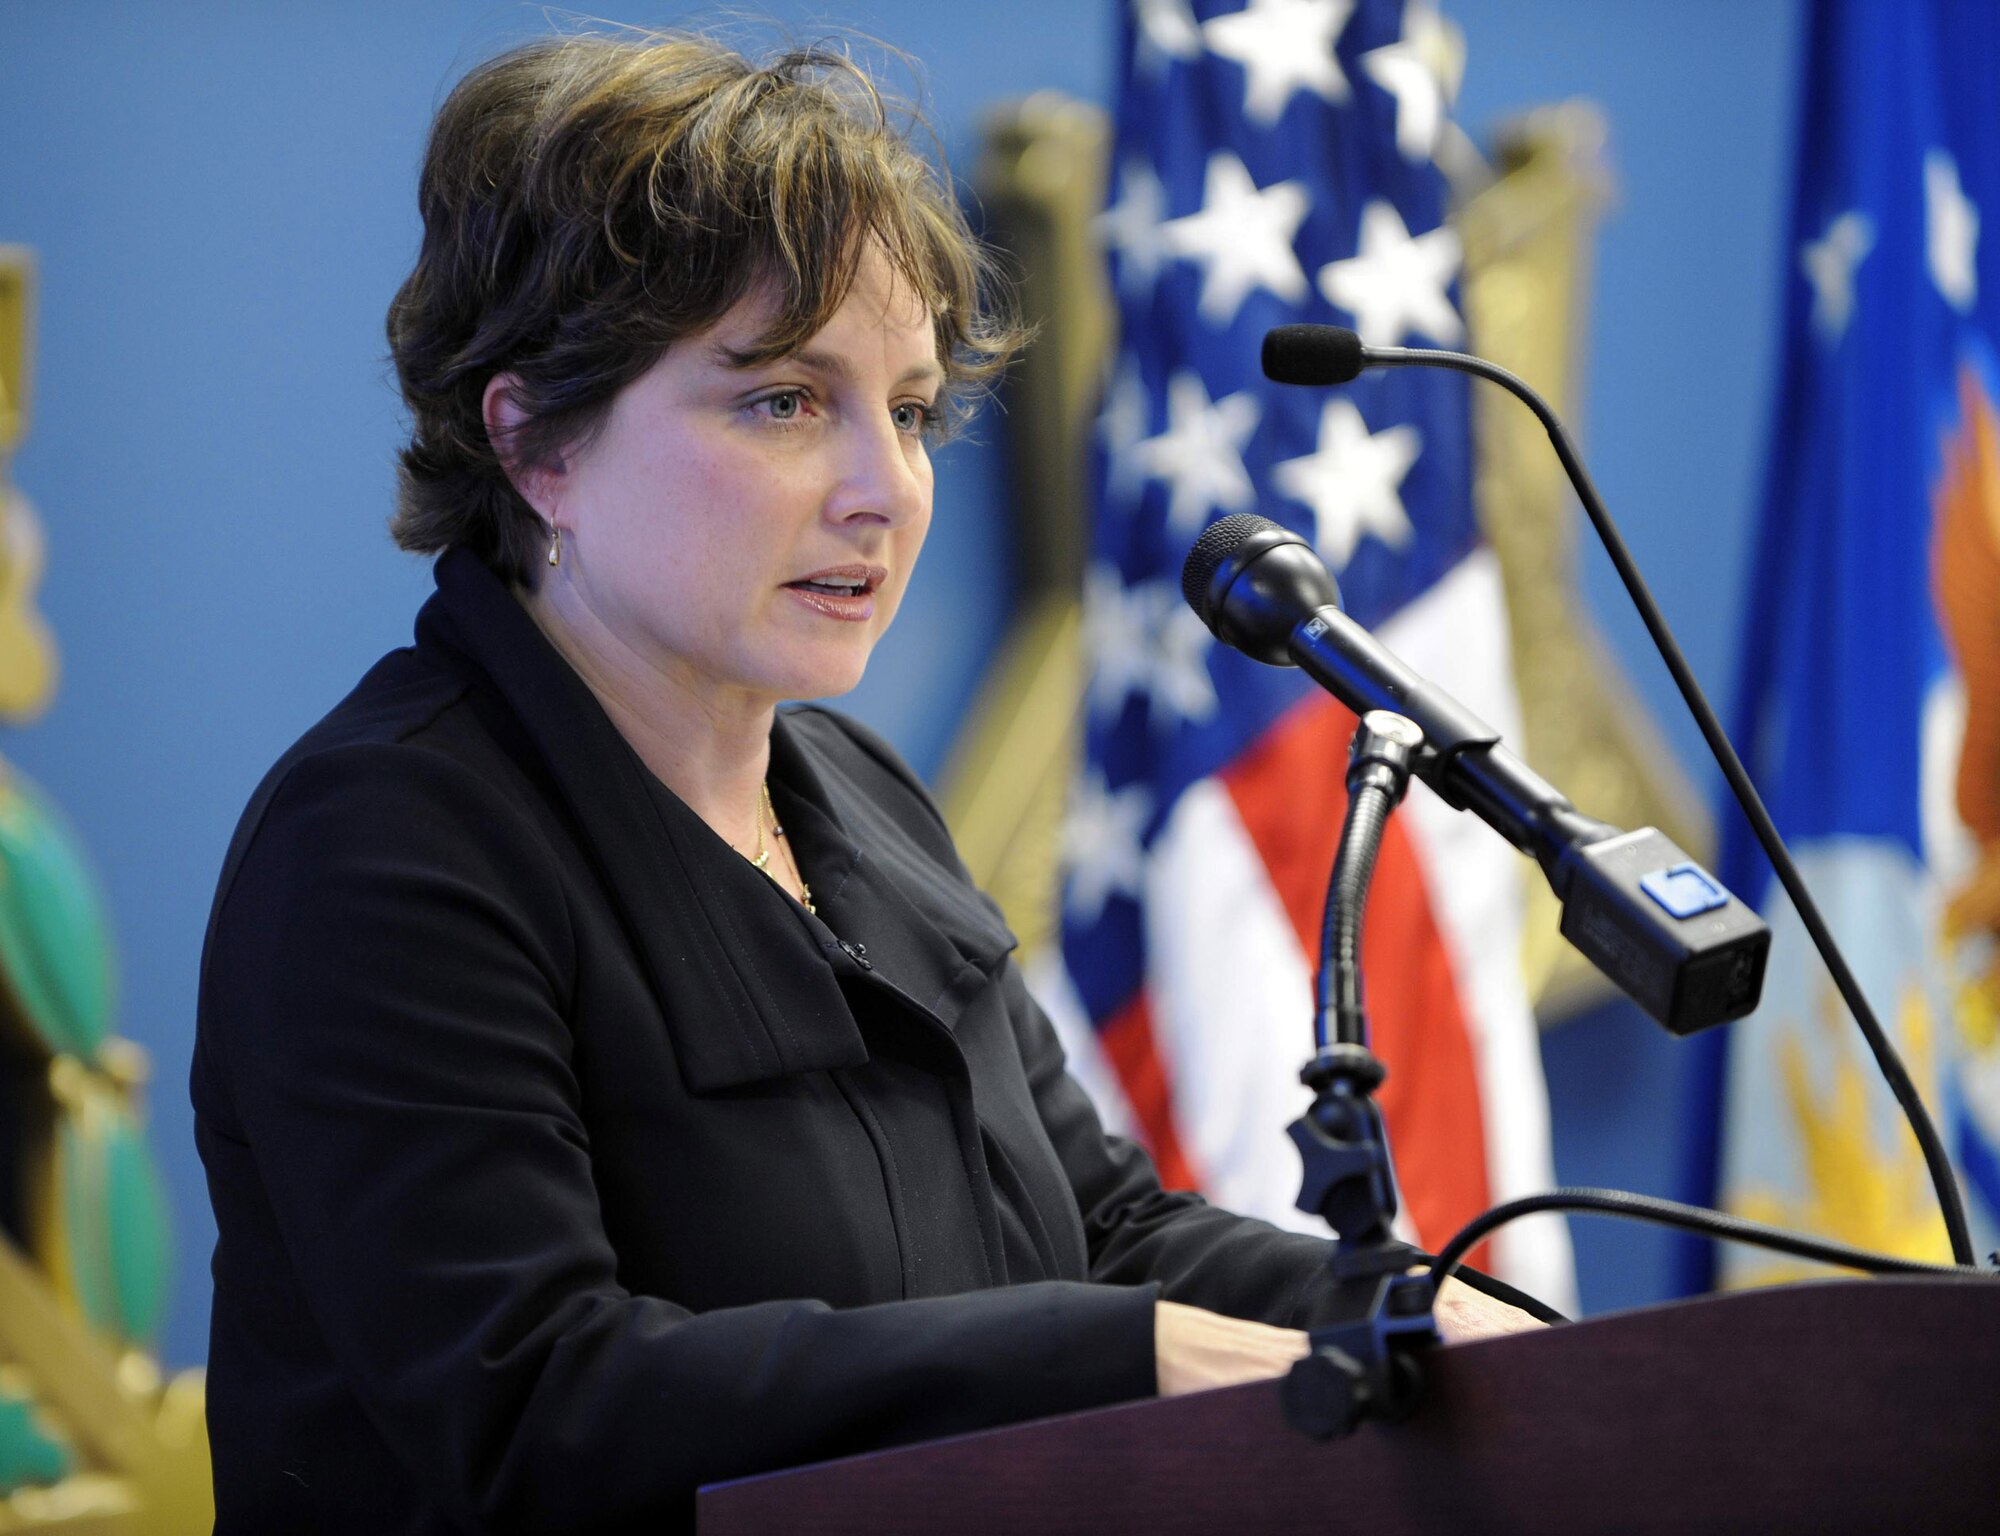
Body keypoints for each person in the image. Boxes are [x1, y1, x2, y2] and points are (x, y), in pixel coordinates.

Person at [191, 28, 1546, 1535]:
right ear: (535, 444)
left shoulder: (854, 790)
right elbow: (537, 1407)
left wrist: (1418, 1306)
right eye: (783, 401)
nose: (882, 488)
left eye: (907, 411)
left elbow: (1094, 1226)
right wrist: (1117, 1365)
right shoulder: (383, 848)